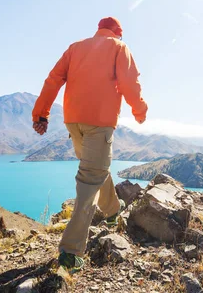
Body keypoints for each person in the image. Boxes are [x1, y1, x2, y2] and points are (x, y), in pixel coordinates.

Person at [31, 16, 148, 273]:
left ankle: (112, 210)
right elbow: (129, 83)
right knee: (88, 181)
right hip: (99, 124)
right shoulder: (119, 48)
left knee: (95, 169)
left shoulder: (75, 48)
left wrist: (41, 112)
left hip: (74, 122)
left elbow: (53, 79)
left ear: (99, 30)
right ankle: (71, 253)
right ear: (118, 33)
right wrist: (140, 111)